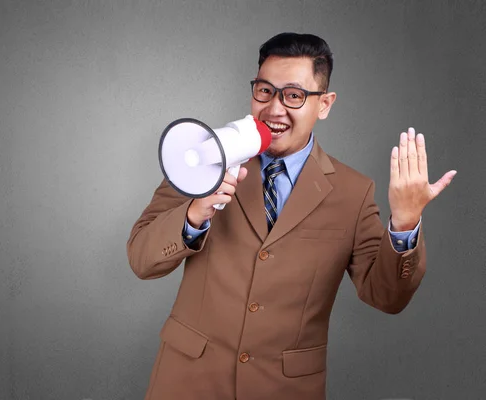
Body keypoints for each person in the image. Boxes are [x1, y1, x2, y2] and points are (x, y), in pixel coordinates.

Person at [126, 32, 456, 400]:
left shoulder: (353, 192)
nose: (275, 109)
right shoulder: (206, 156)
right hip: (187, 383)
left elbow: (386, 297)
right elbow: (141, 258)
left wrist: (406, 222)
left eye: (294, 95)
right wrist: (194, 213)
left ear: (325, 104)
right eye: (264, 91)